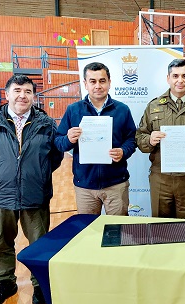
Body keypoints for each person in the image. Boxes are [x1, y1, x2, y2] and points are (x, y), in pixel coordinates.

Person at [0, 74, 63, 304]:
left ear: (33, 96)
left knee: (39, 243)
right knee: (2, 242)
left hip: (35, 195)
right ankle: (5, 283)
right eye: (18, 90)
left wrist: (37, 175)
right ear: (7, 94)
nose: (23, 95)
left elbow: (55, 157)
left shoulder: (47, 123)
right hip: (1, 196)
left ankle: (40, 284)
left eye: (28, 91)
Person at [136, 59, 185, 219]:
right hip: (161, 179)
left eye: (184, 76)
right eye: (175, 76)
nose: (180, 80)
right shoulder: (154, 107)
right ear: (168, 78)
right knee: (160, 227)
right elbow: (140, 137)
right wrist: (149, 140)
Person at [55, 62, 136, 215]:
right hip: (85, 186)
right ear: (85, 84)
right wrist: (68, 139)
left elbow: (132, 139)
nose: (98, 86)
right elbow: (59, 142)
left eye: (102, 81)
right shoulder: (73, 110)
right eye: (92, 81)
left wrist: (123, 151)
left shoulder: (122, 110)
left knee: (117, 231)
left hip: (116, 184)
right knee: (88, 231)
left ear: (109, 83)